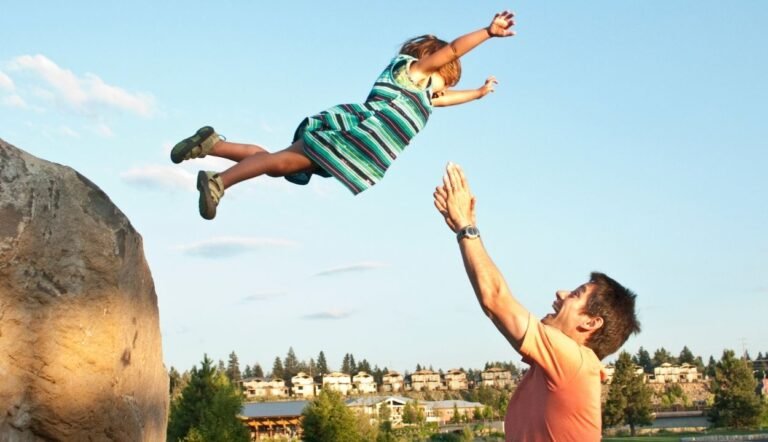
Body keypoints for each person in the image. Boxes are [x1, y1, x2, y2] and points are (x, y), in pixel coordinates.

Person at [170, 10, 515, 219]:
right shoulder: (414, 72)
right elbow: (453, 49)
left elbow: (444, 100)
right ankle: (217, 182)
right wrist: (487, 33)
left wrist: (478, 94)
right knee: (278, 165)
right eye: (445, 78)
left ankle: (212, 144)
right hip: (344, 138)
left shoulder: (423, 96)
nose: (440, 88)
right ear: (430, 61)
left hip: (346, 149)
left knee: (276, 162)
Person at [433, 163, 641, 442]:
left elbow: (495, 300)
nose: (560, 294)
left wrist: (467, 229)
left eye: (576, 294)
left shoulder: (575, 363)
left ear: (590, 322)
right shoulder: (554, 369)